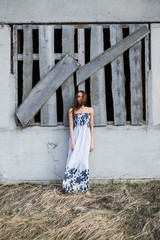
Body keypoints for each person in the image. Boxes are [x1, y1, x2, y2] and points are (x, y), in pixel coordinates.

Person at [62, 90, 94, 196]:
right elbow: (71, 127)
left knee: (84, 161)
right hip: (75, 137)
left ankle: (85, 188)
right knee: (73, 160)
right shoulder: (72, 110)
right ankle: (69, 186)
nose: (79, 98)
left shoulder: (90, 110)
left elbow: (91, 127)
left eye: (81, 96)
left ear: (84, 98)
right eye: (78, 96)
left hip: (86, 138)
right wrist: (72, 142)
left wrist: (92, 142)